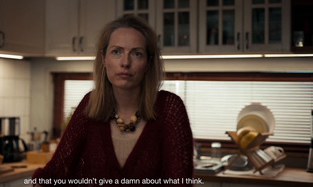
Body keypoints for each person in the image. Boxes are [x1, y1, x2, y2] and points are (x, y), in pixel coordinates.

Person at [32, 15, 194, 186]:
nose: (125, 62)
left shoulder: (170, 108)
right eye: (117, 52)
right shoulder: (90, 104)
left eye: (137, 54)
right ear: (103, 58)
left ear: (148, 63)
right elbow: (53, 175)